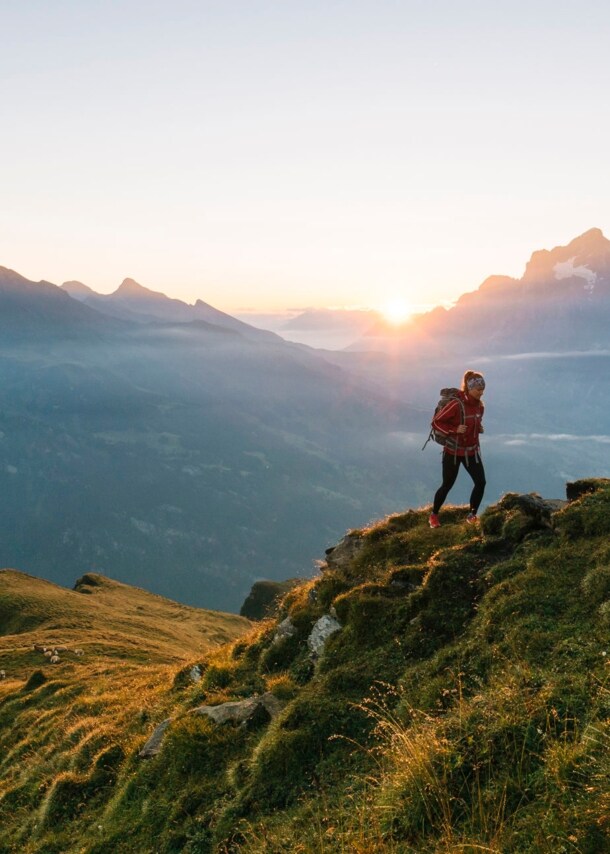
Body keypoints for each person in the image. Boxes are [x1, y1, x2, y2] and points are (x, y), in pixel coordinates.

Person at [428, 370, 486, 528]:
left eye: (483, 390)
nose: (481, 393)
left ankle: (472, 515)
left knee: (481, 482)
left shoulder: (480, 407)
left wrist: (478, 427)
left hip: (471, 452)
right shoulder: (456, 404)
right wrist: (454, 430)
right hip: (453, 452)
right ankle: (434, 515)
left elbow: (474, 422)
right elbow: (436, 422)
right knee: (447, 484)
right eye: (478, 390)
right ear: (469, 388)